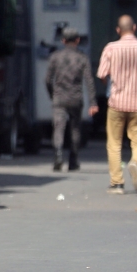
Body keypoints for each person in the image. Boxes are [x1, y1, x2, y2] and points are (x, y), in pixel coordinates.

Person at [95, 15, 137, 194]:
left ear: (118, 30)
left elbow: (102, 74)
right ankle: (136, 162)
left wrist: (110, 82)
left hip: (116, 103)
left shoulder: (110, 48)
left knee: (114, 143)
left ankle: (117, 184)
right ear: (135, 28)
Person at [44, 27, 96, 172]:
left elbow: (48, 79)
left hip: (59, 97)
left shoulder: (55, 57)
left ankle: (58, 155)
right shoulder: (82, 58)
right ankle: (73, 160)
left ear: (63, 40)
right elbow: (89, 81)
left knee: (58, 127)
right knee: (75, 129)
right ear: (78, 40)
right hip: (75, 97)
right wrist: (93, 102)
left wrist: (51, 94)